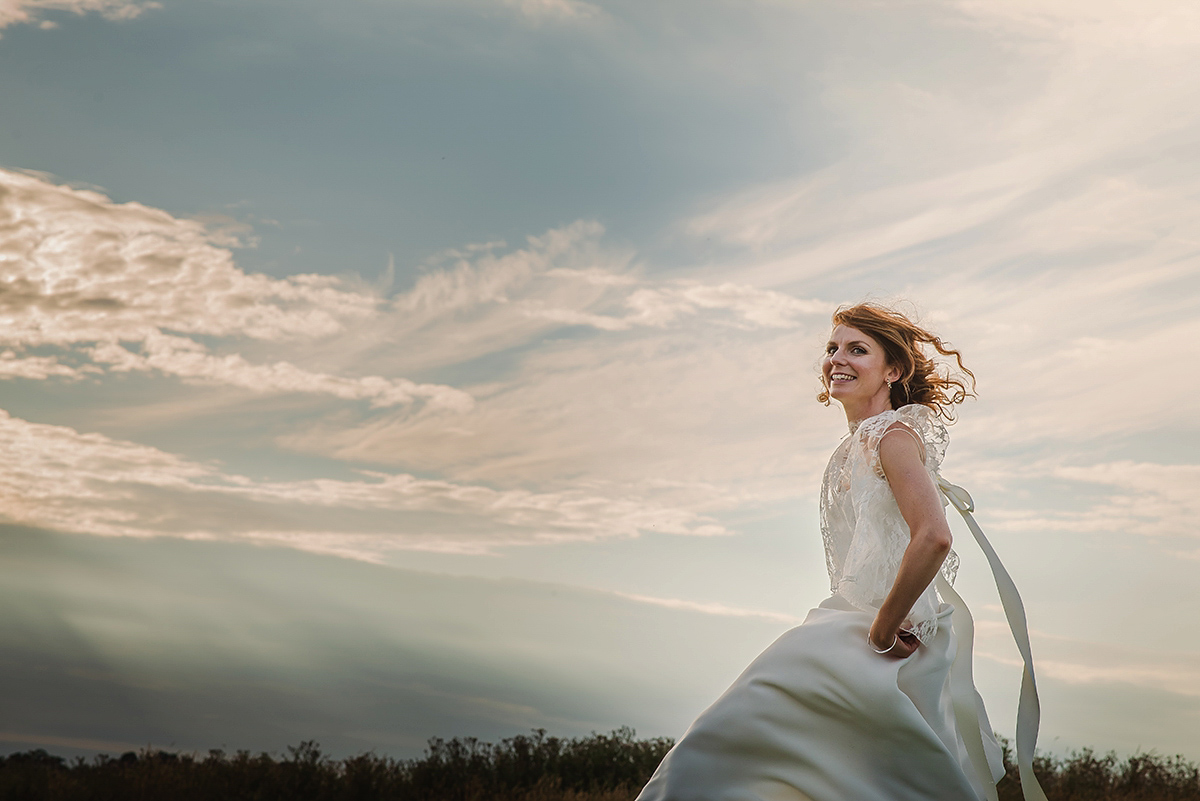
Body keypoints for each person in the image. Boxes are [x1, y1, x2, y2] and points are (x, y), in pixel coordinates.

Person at [636, 302, 1047, 801]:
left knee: (719, 745)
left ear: (893, 370)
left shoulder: (889, 435)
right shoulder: (858, 444)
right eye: (832, 348)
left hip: (869, 633)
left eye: (857, 349)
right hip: (867, 630)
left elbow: (934, 536)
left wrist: (880, 628)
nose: (837, 359)